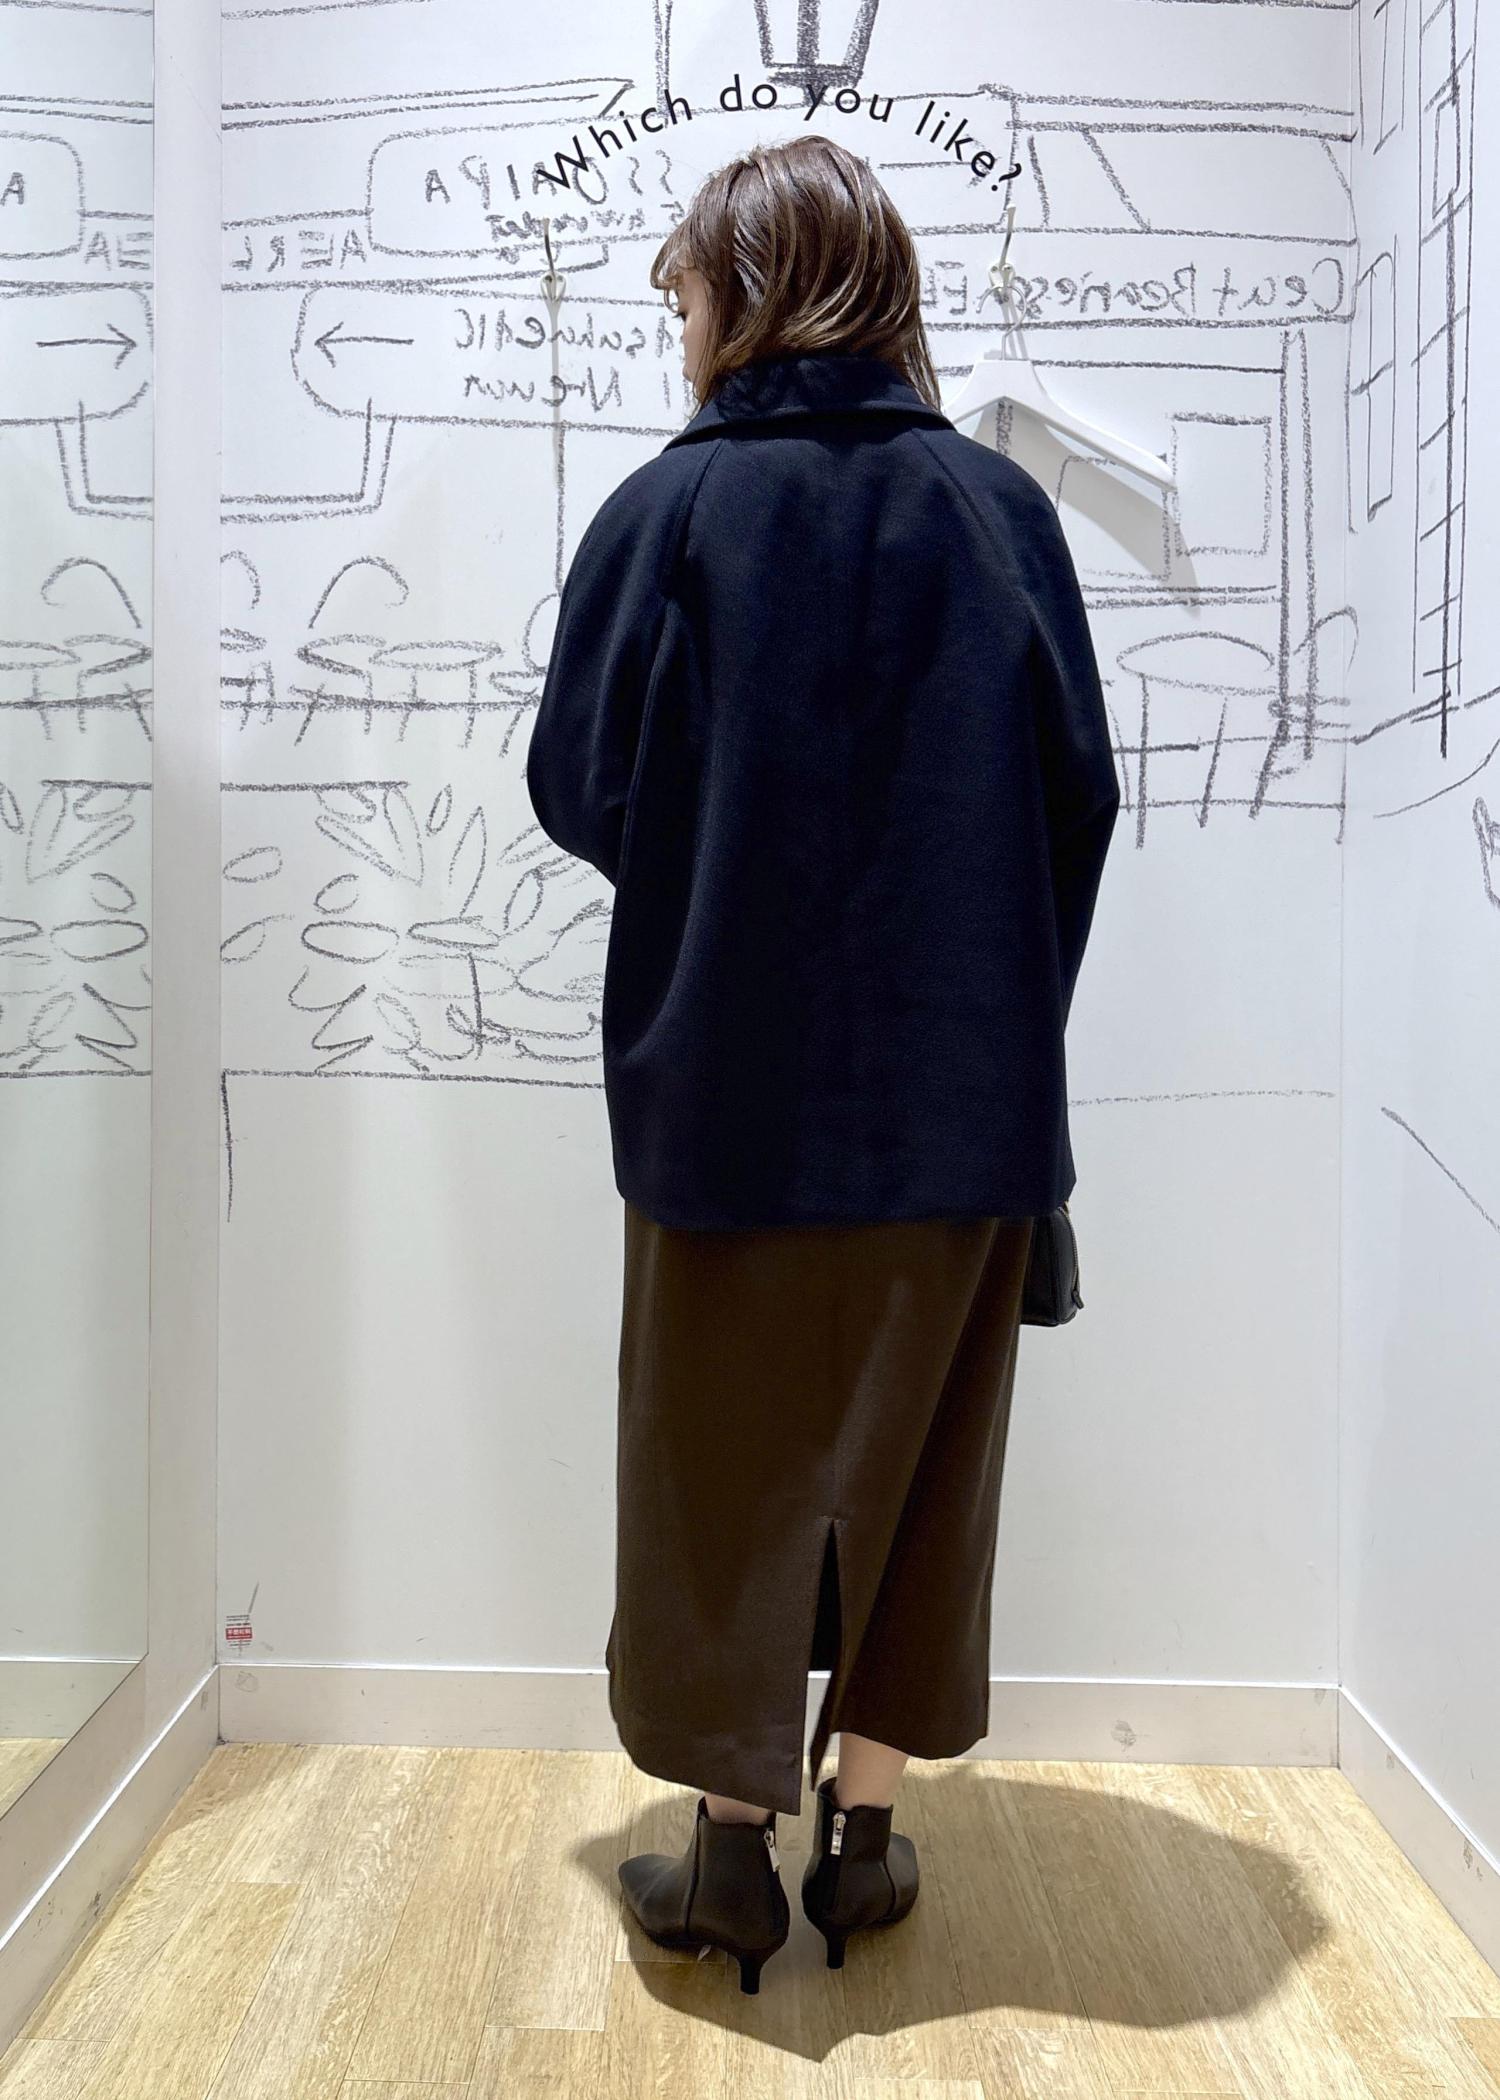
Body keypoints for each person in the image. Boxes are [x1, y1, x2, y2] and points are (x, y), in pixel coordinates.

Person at [525, 134, 1120, 1993]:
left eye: (691, 294)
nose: (682, 329)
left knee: (718, 1465)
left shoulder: (666, 515)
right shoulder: (997, 515)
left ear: (753, 290)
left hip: (723, 1088)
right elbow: (1077, 801)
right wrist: (989, 986)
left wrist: (718, 881)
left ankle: (726, 1855)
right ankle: (862, 1842)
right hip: (967, 1100)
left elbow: (578, 786)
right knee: (928, 1468)